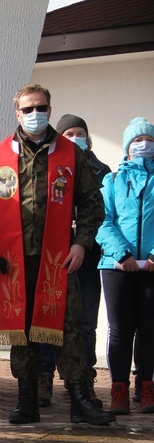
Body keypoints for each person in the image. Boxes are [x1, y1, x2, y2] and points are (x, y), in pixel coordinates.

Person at [0, 83, 115, 426]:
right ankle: (27, 401)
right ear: (18, 114)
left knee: (71, 330)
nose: (36, 114)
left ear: (50, 108)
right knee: (22, 332)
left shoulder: (70, 154)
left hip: (59, 260)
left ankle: (81, 402)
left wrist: (82, 243)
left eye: (42, 107)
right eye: (28, 109)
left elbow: (93, 203)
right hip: (14, 264)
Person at [37, 115, 110, 408]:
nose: (76, 137)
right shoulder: (48, 165)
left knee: (84, 322)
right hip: (53, 256)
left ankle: (82, 378)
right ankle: (43, 377)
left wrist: (82, 237)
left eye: (81, 133)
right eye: (69, 132)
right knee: (48, 317)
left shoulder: (102, 171)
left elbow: (101, 212)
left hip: (87, 257)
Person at [96, 117, 154, 415]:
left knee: (149, 329)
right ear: (127, 146)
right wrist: (123, 255)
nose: (143, 145)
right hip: (116, 266)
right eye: (137, 140)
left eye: (149, 140)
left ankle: (146, 387)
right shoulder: (113, 180)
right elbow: (102, 220)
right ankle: (118, 388)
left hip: (153, 268)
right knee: (120, 330)